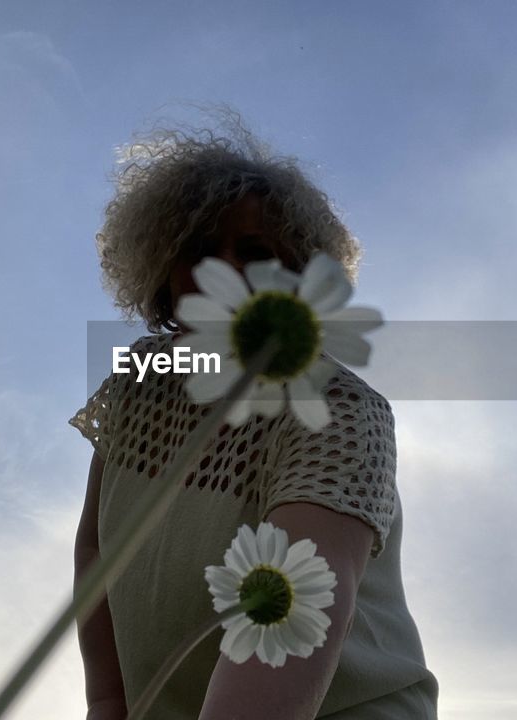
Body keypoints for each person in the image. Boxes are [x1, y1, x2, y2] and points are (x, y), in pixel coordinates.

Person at [71, 115, 439, 720]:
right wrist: (107, 701)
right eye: (195, 249)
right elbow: (97, 547)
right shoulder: (135, 385)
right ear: (161, 271)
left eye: (254, 251)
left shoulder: (339, 409)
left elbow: (299, 607)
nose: (226, 270)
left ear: (299, 276)